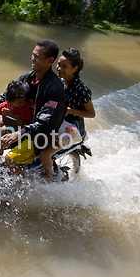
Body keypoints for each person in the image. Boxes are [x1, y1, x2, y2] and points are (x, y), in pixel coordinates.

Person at [0, 39, 67, 180]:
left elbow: (46, 122)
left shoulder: (55, 89)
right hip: (23, 127)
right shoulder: (27, 78)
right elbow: (5, 97)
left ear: (50, 60)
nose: (32, 58)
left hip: (41, 136)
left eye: (37, 56)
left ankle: (20, 194)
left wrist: (19, 133)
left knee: (10, 158)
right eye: (33, 54)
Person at [38, 48, 96, 179]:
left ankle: (49, 180)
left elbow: (91, 113)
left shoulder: (82, 90)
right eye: (58, 64)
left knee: (45, 154)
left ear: (74, 69)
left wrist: (71, 111)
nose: (59, 68)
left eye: (64, 66)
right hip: (57, 123)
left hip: (72, 130)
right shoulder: (60, 82)